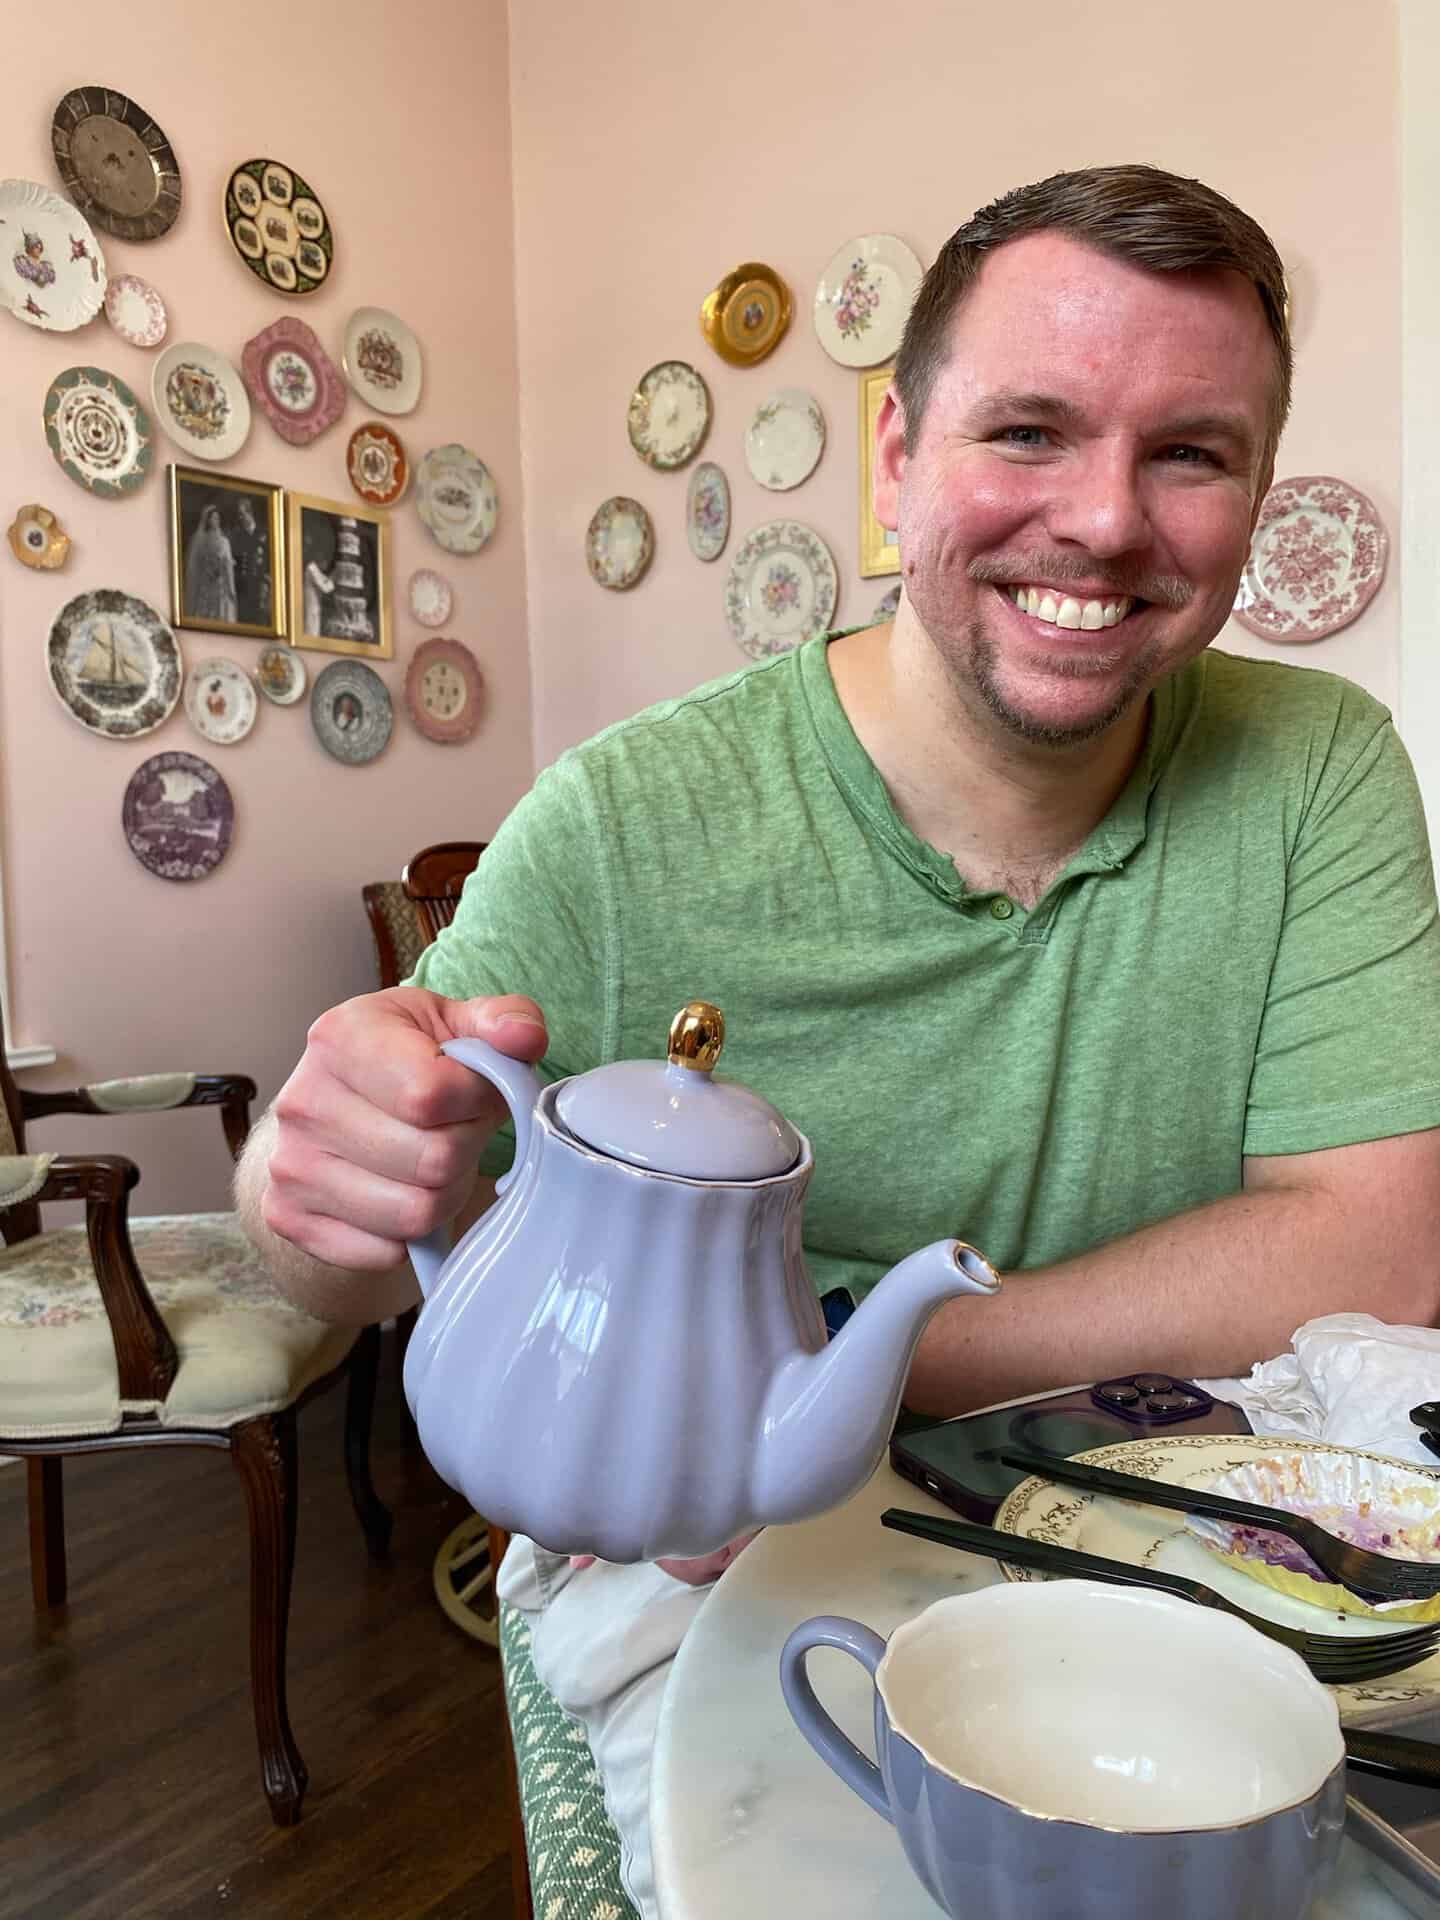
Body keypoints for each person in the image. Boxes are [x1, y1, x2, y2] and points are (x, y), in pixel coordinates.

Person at [236, 164, 1440, 1914]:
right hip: (713, 1549)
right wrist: (311, 1189)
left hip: (1179, 1506)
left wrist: (809, 1376)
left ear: (1258, 490)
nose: (1105, 522)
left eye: (1192, 452)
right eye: (1029, 430)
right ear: (895, 459)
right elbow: (329, 1257)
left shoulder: (1323, 764)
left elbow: (1378, 1248)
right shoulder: (628, 819)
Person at [183, 505, 237, 624]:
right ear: (207, 520)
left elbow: (228, 564)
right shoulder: (200, 540)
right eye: (212, 518)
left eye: (217, 518)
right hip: (205, 584)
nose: (215, 521)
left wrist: (230, 588)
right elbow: (196, 562)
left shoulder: (224, 541)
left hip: (221, 586)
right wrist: (208, 570)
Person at [230, 496, 269, 625]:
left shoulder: (264, 533)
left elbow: (270, 559)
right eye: (238, 514)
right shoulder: (237, 535)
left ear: (250, 513)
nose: (240, 518)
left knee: (260, 619)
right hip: (243, 585)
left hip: (261, 584)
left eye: (242, 514)